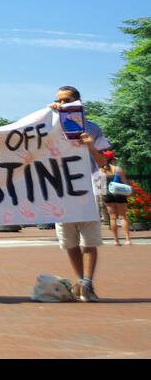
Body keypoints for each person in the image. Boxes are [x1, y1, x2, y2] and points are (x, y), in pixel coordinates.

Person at [50, 86, 113, 301]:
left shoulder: (93, 129)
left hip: (87, 191)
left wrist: (90, 147)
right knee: (69, 243)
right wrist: (48, 113)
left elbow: (104, 163)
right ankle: (81, 281)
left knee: (89, 241)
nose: (62, 104)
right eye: (59, 100)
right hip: (62, 192)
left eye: (67, 100)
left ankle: (87, 282)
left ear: (78, 102)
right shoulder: (50, 127)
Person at [102, 153, 131, 247]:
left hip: (107, 194)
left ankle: (116, 241)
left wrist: (102, 198)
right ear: (112, 159)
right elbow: (125, 183)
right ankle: (127, 240)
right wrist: (128, 194)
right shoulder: (118, 169)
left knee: (112, 217)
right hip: (119, 193)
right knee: (123, 217)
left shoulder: (101, 170)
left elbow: (101, 187)